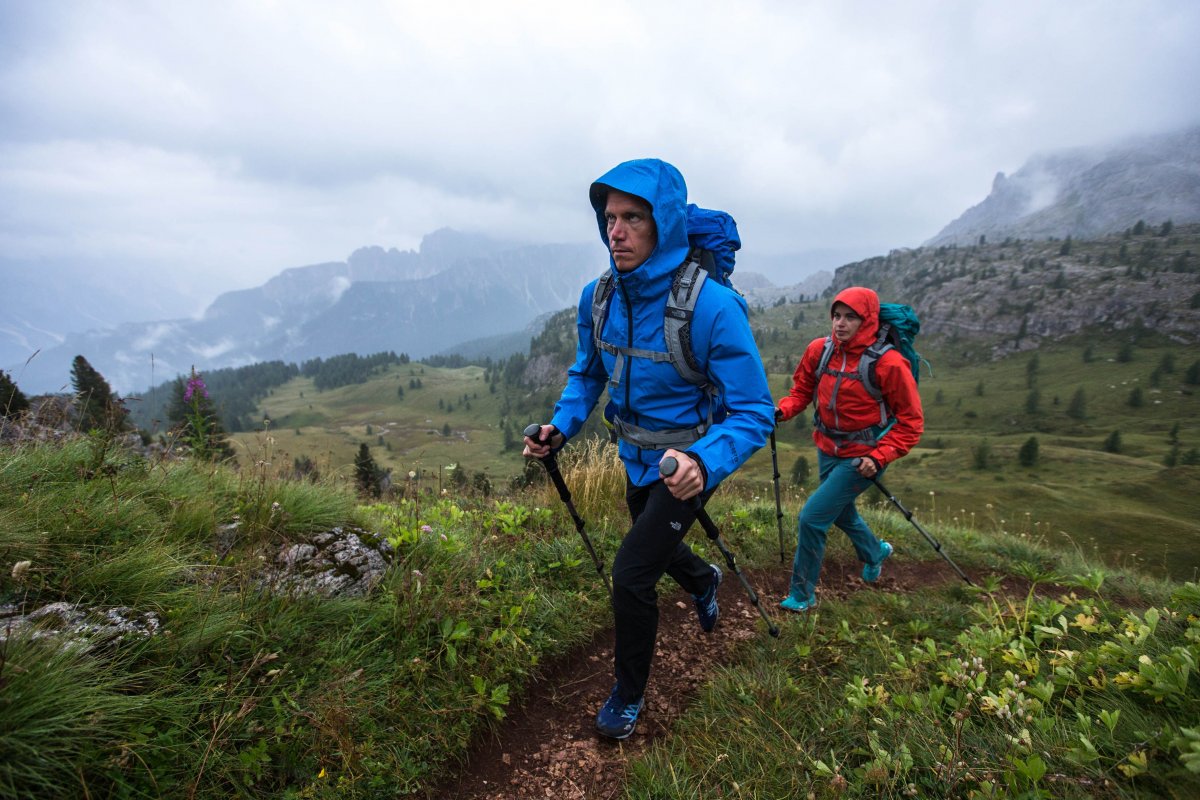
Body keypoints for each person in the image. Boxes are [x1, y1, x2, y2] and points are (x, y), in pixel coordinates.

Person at [524, 158, 774, 740]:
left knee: (632, 573)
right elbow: (588, 374)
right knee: (652, 539)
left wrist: (704, 462)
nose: (617, 230)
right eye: (609, 218)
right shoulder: (599, 297)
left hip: (687, 464)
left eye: (633, 217)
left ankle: (628, 697)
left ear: (662, 222)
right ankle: (704, 578)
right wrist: (559, 427)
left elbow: (754, 410)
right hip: (634, 457)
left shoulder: (712, 306)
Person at [775, 287, 924, 612]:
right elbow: (802, 389)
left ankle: (802, 595)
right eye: (837, 316)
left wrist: (879, 456)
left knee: (812, 518)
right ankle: (875, 552)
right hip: (827, 446)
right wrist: (782, 410)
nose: (840, 324)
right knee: (841, 511)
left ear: (867, 320)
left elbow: (911, 422)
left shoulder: (889, 364)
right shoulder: (820, 350)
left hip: (863, 455)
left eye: (850, 317)